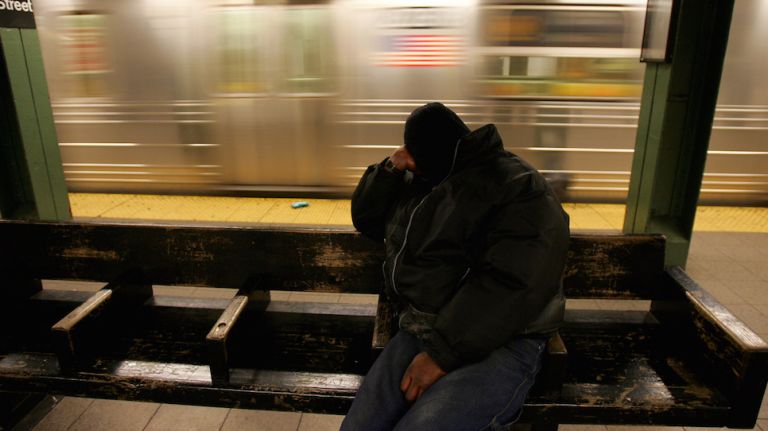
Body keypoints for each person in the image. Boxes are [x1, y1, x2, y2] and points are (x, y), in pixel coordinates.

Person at [341, 102, 570, 431]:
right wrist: (390, 170)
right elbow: (367, 220)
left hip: (503, 338)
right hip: (424, 327)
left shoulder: (520, 189)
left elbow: (510, 285)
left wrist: (439, 356)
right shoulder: (428, 180)